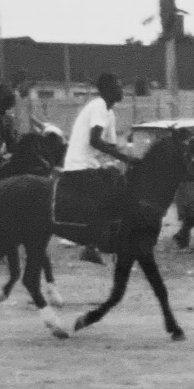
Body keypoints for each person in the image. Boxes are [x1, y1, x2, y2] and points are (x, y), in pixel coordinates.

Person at [63, 74, 134, 262]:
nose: (121, 91)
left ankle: (110, 242)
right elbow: (95, 140)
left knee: (120, 187)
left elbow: (109, 146)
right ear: (107, 90)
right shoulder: (99, 106)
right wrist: (125, 157)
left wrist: (132, 156)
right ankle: (90, 245)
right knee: (106, 197)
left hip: (90, 165)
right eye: (118, 87)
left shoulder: (109, 113)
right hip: (78, 166)